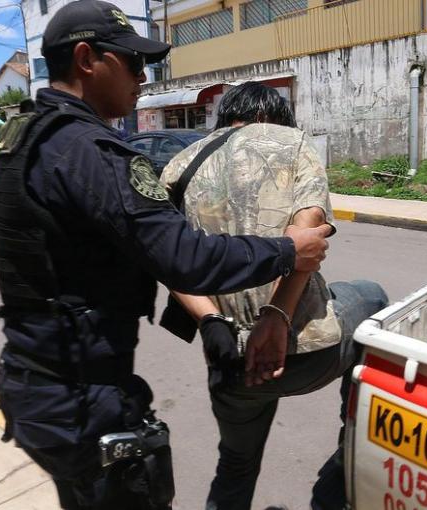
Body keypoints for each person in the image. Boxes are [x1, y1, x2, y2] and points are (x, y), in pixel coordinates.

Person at [0, 3, 335, 509]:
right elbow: (182, 257)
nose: (143, 78)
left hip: (33, 383)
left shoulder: (26, 139)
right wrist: (287, 250)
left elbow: (127, 251)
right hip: (85, 398)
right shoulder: (91, 152)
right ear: (86, 58)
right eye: (132, 62)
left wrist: (210, 321)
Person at [159, 82, 389, 510]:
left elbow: (168, 259)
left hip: (232, 362)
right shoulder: (293, 142)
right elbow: (308, 232)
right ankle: (349, 446)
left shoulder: (180, 163)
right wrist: (275, 318)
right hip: (302, 353)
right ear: (274, 116)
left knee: (236, 465)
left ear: (225, 116)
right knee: (373, 298)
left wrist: (213, 322)